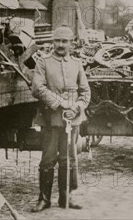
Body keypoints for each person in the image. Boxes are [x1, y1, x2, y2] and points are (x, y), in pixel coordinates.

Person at [31, 26, 90, 212]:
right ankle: (44, 198)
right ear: (52, 42)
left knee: (69, 158)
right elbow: (37, 88)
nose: (60, 45)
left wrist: (76, 107)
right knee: (48, 158)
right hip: (51, 118)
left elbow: (85, 92)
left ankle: (66, 197)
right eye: (57, 41)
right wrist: (61, 103)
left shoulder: (77, 63)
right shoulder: (43, 62)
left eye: (65, 41)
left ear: (72, 44)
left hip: (72, 119)